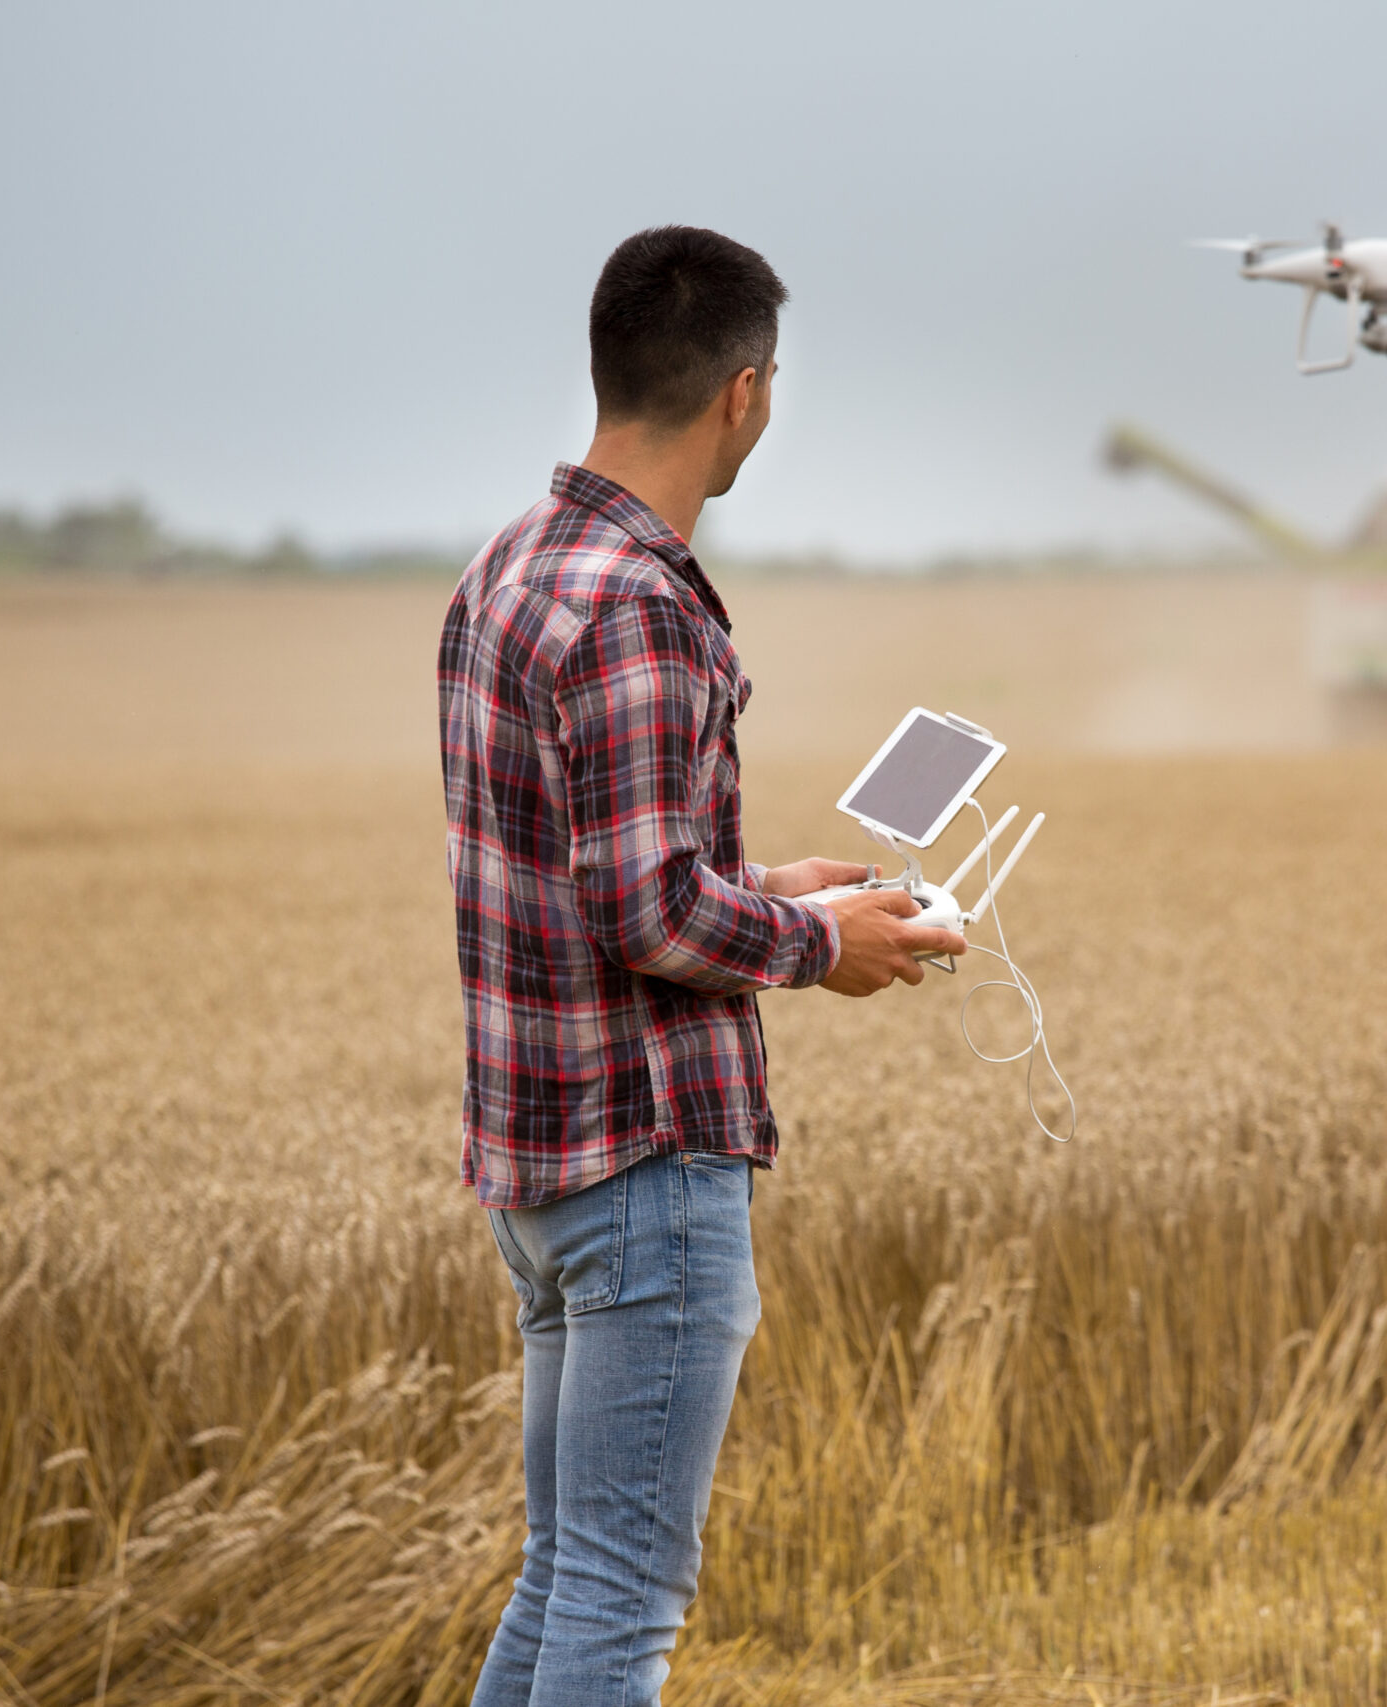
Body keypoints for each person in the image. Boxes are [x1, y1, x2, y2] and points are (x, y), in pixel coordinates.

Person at [438, 226, 965, 1707]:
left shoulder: (513, 568)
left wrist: (773, 886)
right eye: (775, 381)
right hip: (649, 1171)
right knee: (623, 1598)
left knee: (565, 1573)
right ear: (743, 392)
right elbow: (652, 919)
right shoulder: (646, 605)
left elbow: (594, 860)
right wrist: (823, 945)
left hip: (539, 1166)